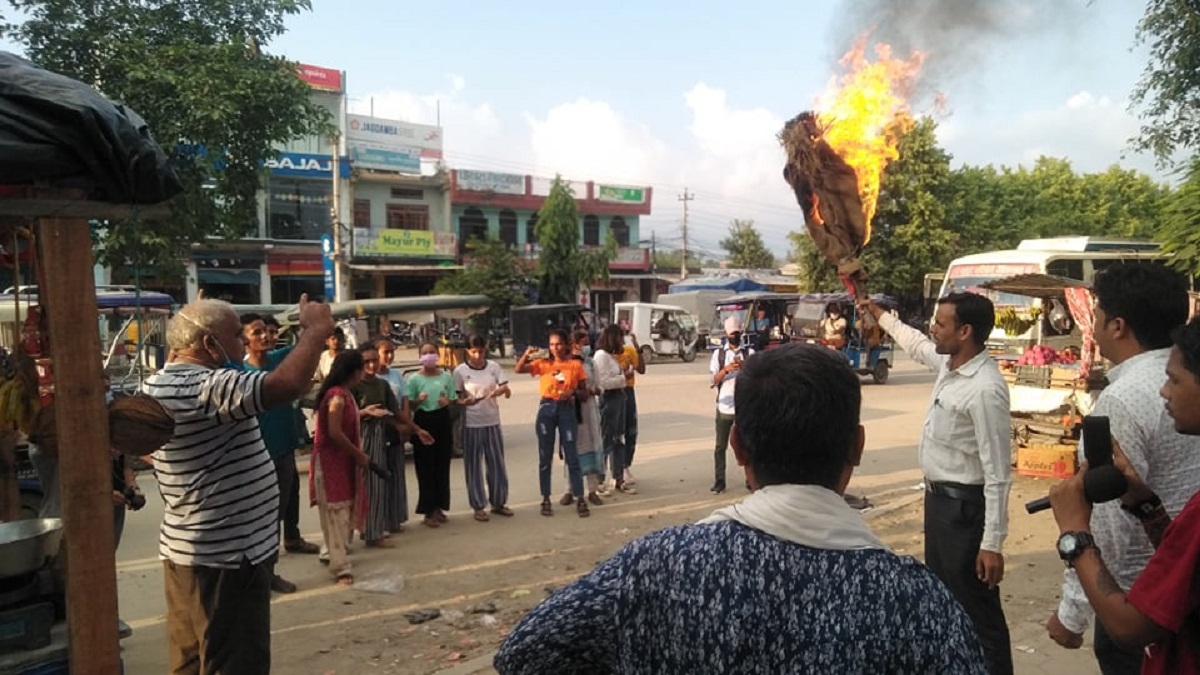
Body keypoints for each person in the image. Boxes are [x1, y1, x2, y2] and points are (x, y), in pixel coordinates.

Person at [493, 344, 988, 674]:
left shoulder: (655, 565)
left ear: (737, 447)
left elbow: (523, 654)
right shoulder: (917, 603)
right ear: (856, 448)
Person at [143, 295, 333, 674]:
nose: (243, 343)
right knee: (234, 661)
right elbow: (286, 385)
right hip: (228, 557)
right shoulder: (208, 386)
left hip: (188, 551)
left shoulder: (159, 384)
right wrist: (314, 331)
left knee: (192, 658)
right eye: (236, 335)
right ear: (210, 345)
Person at [1045, 263, 1200, 675]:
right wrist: (1146, 504)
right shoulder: (1176, 371)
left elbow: (1107, 528)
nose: (1165, 391)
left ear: (1116, 325)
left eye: (1095, 313)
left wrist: (1074, 542)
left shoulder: (1123, 398)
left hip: (1138, 601)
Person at [863, 291, 1013, 675]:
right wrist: (880, 315)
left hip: (964, 511)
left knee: (978, 610)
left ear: (965, 331)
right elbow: (914, 344)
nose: (933, 328)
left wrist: (991, 543)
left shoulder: (984, 388)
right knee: (946, 600)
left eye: (941, 323)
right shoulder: (951, 365)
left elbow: (997, 473)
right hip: (940, 505)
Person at [241, 313, 319, 597]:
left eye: (266, 331)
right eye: (256, 332)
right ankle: (260, 574)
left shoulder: (279, 361)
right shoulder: (238, 371)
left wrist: (309, 324)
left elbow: (307, 348)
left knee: (277, 511)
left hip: (283, 450)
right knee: (261, 517)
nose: (265, 336)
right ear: (243, 339)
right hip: (255, 455)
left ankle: (268, 571)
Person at [352, 343, 431, 546]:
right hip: (359, 436)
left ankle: (375, 532)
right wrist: (364, 413)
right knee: (364, 485)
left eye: (373, 360)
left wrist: (416, 429)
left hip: (381, 432)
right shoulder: (353, 386)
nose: (371, 365)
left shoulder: (381, 385)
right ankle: (366, 530)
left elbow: (397, 411)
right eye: (366, 361)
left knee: (378, 483)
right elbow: (343, 414)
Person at [516, 329, 590, 518]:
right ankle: (546, 498)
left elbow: (586, 393)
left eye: (558, 344)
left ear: (566, 344)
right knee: (545, 456)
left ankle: (580, 497)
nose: (555, 348)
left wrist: (572, 392)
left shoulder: (575, 365)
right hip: (547, 409)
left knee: (572, 455)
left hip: (567, 409)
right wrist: (526, 355)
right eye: (551, 344)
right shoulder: (543, 364)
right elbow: (519, 369)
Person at [311, 350, 370, 585]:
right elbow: (334, 432)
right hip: (330, 463)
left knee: (342, 512)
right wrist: (358, 454)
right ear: (354, 371)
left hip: (341, 461)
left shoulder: (344, 394)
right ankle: (340, 566)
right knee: (335, 514)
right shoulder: (336, 396)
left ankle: (337, 555)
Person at [453, 334, 515, 521]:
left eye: (480, 351)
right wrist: (465, 401)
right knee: (473, 465)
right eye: (474, 351)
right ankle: (478, 505)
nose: (478, 355)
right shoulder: (460, 371)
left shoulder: (494, 367)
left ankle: (499, 501)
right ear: (467, 351)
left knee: (496, 462)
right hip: (472, 423)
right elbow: (455, 398)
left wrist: (501, 390)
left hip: (492, 421)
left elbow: (506, 388)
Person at [406, 342, 458, 528]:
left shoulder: (446, 377)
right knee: (425, 467)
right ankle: (428, 510)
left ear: (438, 354)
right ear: (420, 356)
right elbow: (408, 405)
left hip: (442, 421)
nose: (429, 355)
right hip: (423, 422)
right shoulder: (413, 380)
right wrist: (417, 401)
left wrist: (448, 401)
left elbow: (453, 399)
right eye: (425, 353)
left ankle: (440, 507)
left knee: (442, 465)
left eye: (432, 352)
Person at [710, 316, 754, 494]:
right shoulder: (719, 355)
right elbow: (713, 380)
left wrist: (746, 367)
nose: (736, 336)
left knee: (748, 445)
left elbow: (758, 377)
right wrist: (726, 370)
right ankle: (719, 480)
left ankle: (751, 479)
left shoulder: (749, 354)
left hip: (744, 407)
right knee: (720, 446)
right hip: (724, 407)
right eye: (732, 334)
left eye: (738, 333)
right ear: (726, 335)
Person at [375, 339, 412, 532]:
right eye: (385, 352)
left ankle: (396, 518)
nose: (389, 356)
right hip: (379, 428)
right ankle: (380, 521)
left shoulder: (396, 375)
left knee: (397, 473)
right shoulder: (371, 378)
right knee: (380, 475)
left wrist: (405, 423)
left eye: (392, 352)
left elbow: (404, 399)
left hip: (398, 427)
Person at [593, 324, 634, 496]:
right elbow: (603, 383)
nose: (623, 342)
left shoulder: (610, 356)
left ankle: (618, 479)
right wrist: (624, 377)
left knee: (619, 440)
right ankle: (599, 482)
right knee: (606, 441)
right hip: (609, 400)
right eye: (620, 338)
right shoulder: (601, 356)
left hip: (618, 399)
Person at [567, 329, 606, 503]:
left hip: (589, 409)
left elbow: (600, 386)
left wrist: (594, 391)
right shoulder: (566, 363)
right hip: (572, 410)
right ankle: (571, 489)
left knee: (591, 446)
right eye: (583, 343)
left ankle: (592, 490)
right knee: (572, 449)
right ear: (574, 344)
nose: (586, 346)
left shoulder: (591, 363)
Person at [612, 329, 645, 489]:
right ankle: (615, 470)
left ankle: (626, 466)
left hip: (628, 392)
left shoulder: (629, 351)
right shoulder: (606, 355)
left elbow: (642, 370)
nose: (621, 340)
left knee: (631, 431)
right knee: (615, 433)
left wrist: (638, 348)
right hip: (614, 393)